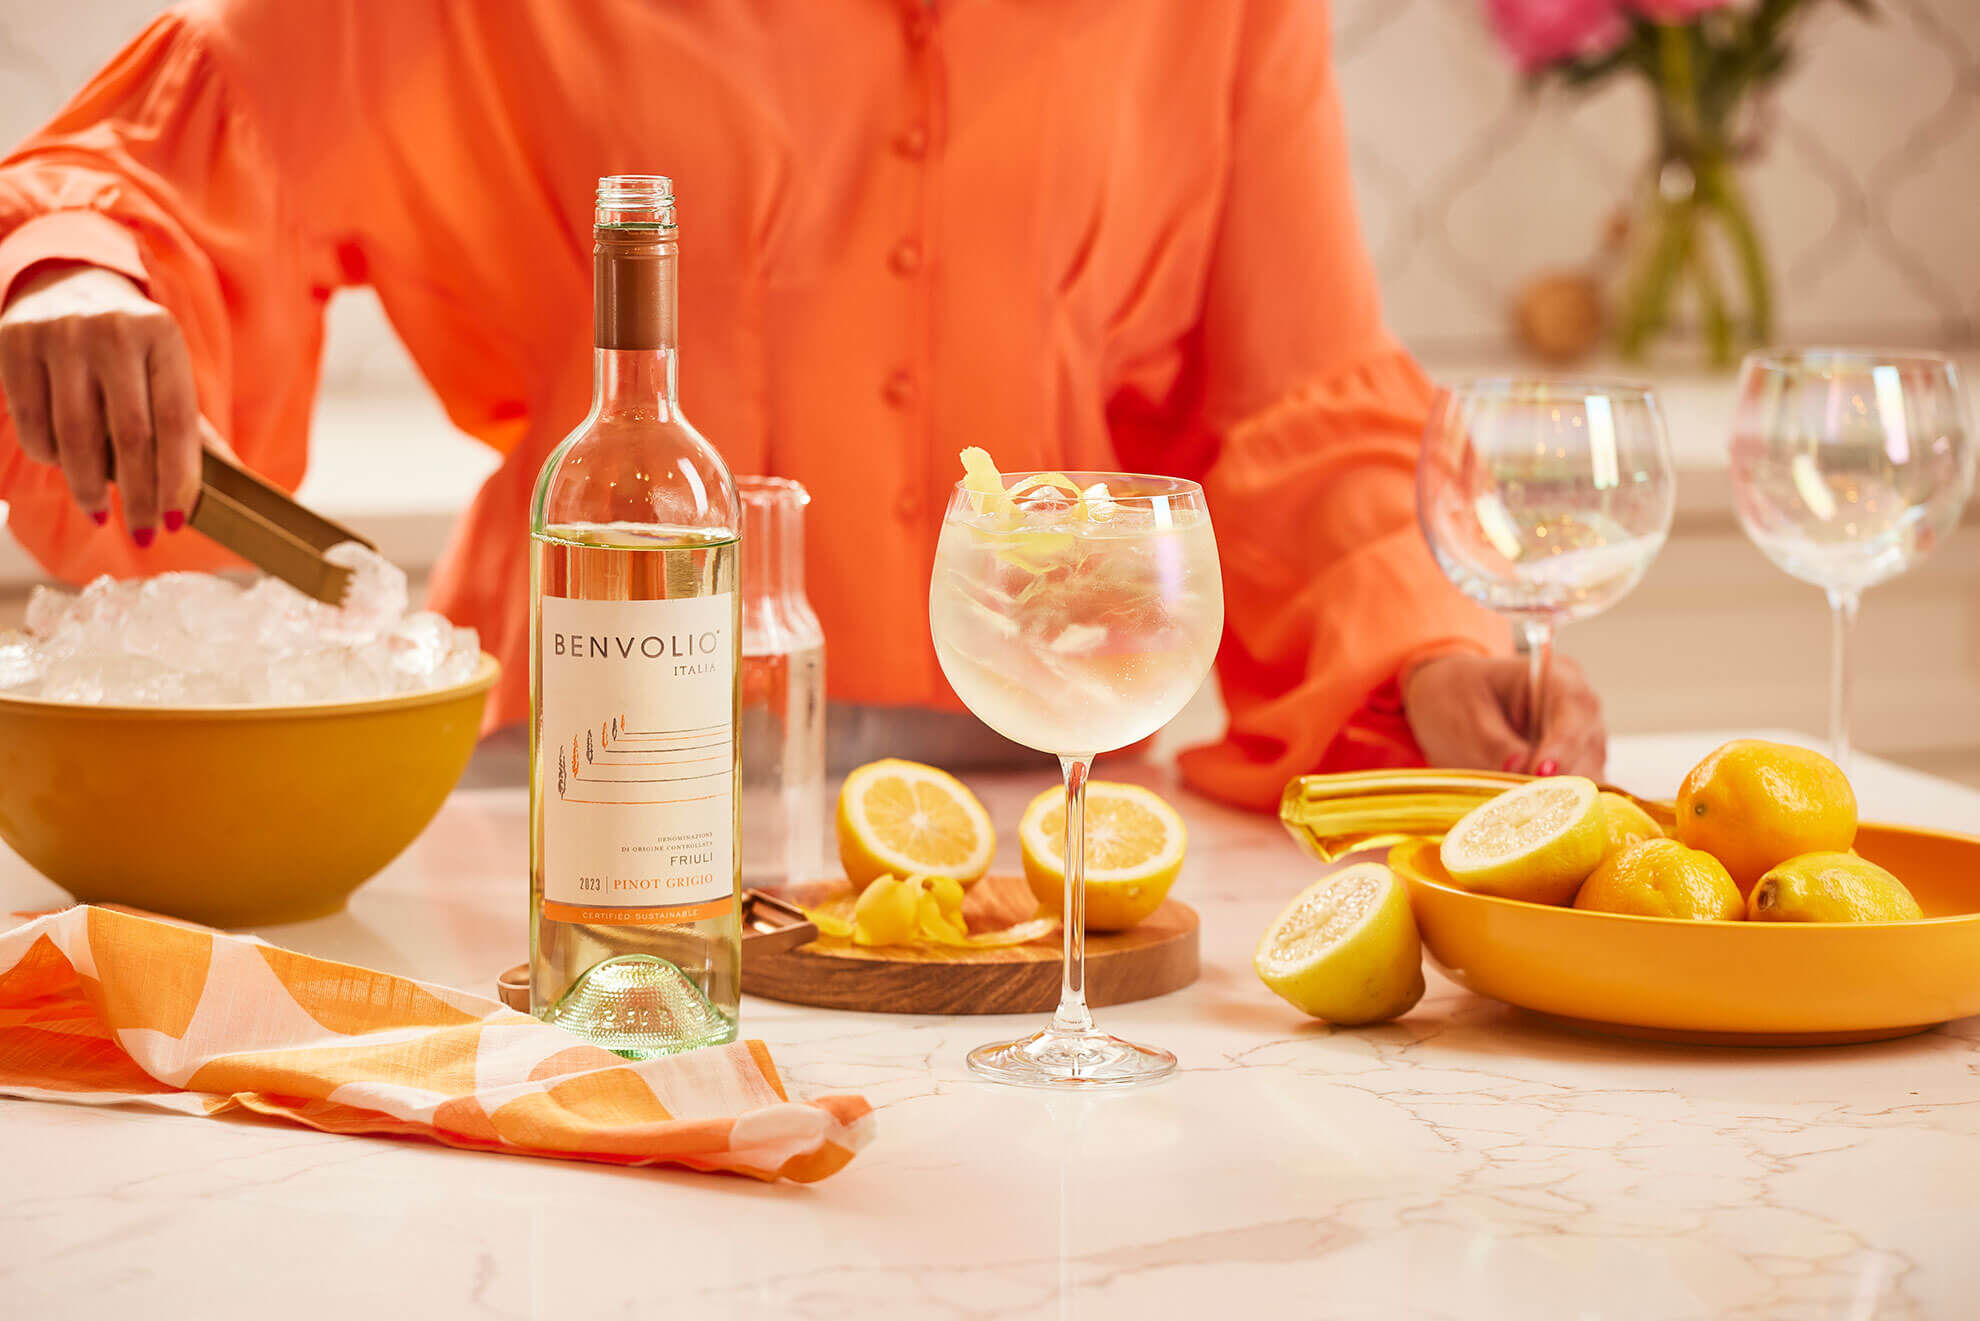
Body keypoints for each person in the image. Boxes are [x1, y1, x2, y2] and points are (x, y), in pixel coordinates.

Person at [0, 0, 1604, 810]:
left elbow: (1290, 402)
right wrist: (79, 273)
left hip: (1029, 822)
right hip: (572, 796)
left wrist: (1428, 654)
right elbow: (197, 136)